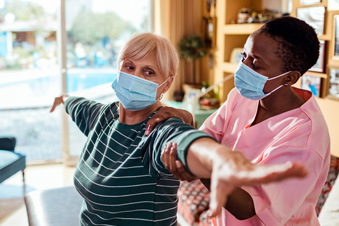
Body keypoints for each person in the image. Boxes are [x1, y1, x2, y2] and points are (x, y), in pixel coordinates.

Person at [50, 32, 307, 226]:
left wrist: (220, 159)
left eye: (149, 72)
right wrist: (64, 98)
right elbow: (78, 105)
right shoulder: (103, 116)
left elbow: (188, 142)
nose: (135, 77)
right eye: (129, 67)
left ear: (166, 84)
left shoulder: (159, 129)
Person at [146, 17, 331, 225]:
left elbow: (247, 207)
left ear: (289, 78)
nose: (243, 67)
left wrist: (199, 166)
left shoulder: (304, 138)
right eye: (244, 56)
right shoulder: (241, 98)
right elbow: (205, 139)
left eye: (256, 64)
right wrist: (185, 121)